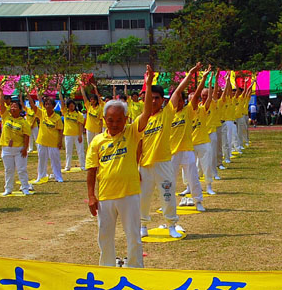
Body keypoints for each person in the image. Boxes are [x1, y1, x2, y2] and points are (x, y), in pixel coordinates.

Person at [86, 69, 153, 268]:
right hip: (106, 196)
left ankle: (135, 267)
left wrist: (148, 85)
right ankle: (107, 267)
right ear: (104, 119)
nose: (114, 124)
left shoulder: (132, 133)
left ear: (126, 119)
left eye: (118, 120)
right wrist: (91, 195)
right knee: (105, 236)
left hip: (129, 194)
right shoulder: (97, 141)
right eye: (110, 120)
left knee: (133, 235)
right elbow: (91, 170)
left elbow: (147, 112)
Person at [139, 68, 191, 239]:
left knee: (167, 195)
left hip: (163, 163)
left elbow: (178, 91)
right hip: (145, 165)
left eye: (157, 98)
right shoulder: (142, 119)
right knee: (143, 197)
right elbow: (138, 144)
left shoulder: (167, 113)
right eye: (151, 98)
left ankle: (171, 225)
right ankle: (143, 226)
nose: (153, 101)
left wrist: (190, 75)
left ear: (163, 100)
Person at [169, 64, 207, 212]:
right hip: (171, 151)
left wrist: (201, 78)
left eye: (180, 100)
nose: (177, 102)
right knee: (169, 180)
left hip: (186, 149)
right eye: (175, 99)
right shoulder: (168, 113)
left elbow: (196, 95)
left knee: (193, 177)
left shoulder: (188, 110)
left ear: (183, 101)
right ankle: (168, 204)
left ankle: (198, 201)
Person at [0, 85, 32, 196]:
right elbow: (1, 104)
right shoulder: (6, 117)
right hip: (6, 148)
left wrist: (25, 148)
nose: (13, 108)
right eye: (11, 106)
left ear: (20, 109)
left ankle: (25, 188)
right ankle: (8, 189)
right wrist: (1, 92)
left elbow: (26, 136)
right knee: (8, 170)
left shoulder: (23, 122)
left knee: (21, 170)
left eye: (15, 107)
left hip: (19, 149)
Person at [33, 91, 64, 183]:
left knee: (55, 160)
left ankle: (58, 176)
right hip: (42, 141)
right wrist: (28, 94)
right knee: (42, 159)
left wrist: (60, 142)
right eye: (46, 104)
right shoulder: (42, 113)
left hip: (53, 142)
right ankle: (41, 176)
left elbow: (60, 130)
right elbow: (33, 106)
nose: (47, 106)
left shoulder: (57, 117)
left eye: (49, 104)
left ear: (53, 106)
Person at [58, 89, 85, 171]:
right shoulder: (66, 112)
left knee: (80, 150)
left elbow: (80, 125)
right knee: (68, 151)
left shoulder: (78, 114)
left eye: (72, 105)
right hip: (68, 135)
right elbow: (62, 102)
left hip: (77, 135)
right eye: (70, 105)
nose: (71, 107)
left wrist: (80, 135)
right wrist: (59, 91)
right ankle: (67, 166)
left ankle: (83, 165)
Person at [80, 81, 104, 145]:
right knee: (90, 144)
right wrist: (81, 86)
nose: (92, 101)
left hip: (97, 130)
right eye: (91, 99)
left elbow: (101, 120)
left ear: (96, 100)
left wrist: (101, 131)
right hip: (89, 128)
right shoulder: (88, 106)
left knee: (97, 144)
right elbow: (84, 96)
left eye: (94, 99)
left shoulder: (100, 108)